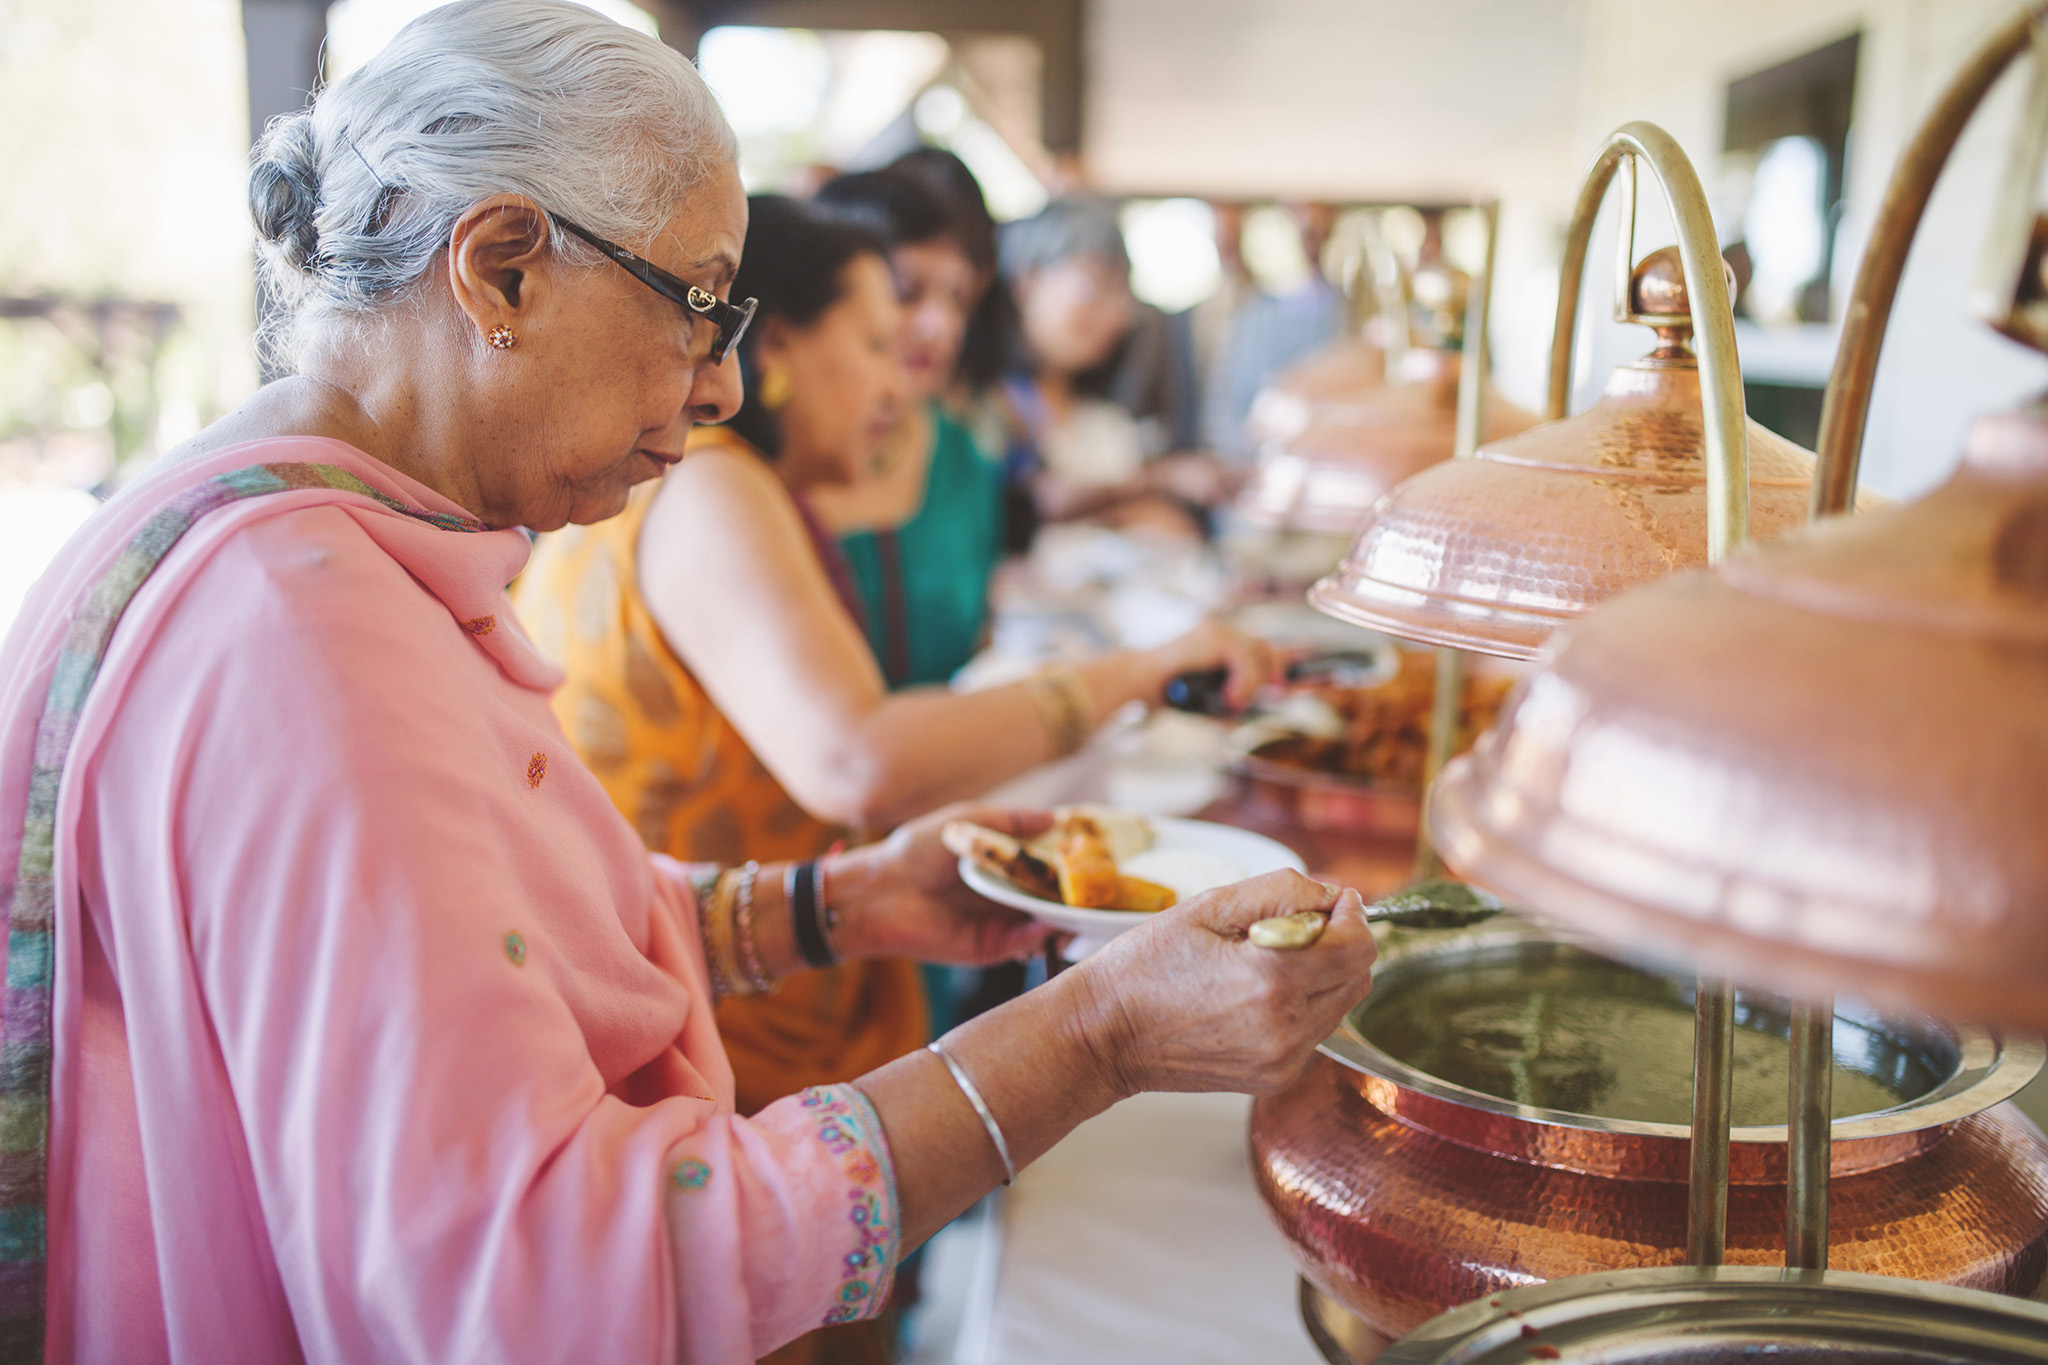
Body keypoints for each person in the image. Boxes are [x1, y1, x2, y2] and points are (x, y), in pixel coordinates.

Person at [0, 6, 1378, 1361]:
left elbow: (509, 943)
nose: (723, 388)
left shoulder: (289, 537)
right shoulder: (308, 647)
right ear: (501, 272)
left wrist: (840, 904)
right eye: (702, 307)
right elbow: (543, 1292)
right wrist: (1097, 1034)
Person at [514, 196, 1276, 1152]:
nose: (900, 382)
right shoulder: (710, 480)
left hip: (730, 974)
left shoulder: (738, 484)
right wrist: (1141, 671)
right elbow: (858, 759)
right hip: (706, 1033)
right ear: (776, 347)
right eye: (875, 343)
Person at [806, 167, 1002, 690]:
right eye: (906, 292)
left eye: (958, 300)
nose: (942, 327)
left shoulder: (962, 456)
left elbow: (976, 640)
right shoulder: (767, 465)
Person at [998, 196, 1232, 540]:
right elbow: (1035, 505)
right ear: (1028, 280)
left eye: (1123, 294)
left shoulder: (1097, 413)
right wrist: (1160, 479)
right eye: (1097, 285)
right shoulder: (994, 402)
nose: (1116, 315)